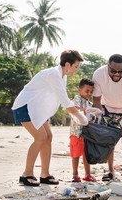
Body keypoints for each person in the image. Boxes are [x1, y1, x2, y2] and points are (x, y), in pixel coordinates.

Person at [12, 50, 88, 186]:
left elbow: (64, 99)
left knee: (48, 137)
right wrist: (81, 118)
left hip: (37, 108)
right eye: (76, 66)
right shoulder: (54, 75)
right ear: (67, 64)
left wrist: (81, 111)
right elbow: (65, 101)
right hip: (25, 106)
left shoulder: (62, 76)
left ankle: (45, 175)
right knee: (40, 137)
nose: (76, 69)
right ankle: (27, 174)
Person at [92, 54, 122, 180]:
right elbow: (96, 98)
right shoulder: (98, 74)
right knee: (109, 139)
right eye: (113, 71)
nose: (117, 74)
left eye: (120, 71)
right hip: (107, 108)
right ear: (108, 67)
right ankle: (111, 171)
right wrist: (99, 113)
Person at [69, 78, 102, 183]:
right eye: (87, 91)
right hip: (76, 132)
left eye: (91, 92)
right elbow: (76, 109)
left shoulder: (89, 103)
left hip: (87, 133)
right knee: (75, 154)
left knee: (86, 154)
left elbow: (90, 117)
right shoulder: (77, 98)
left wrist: (93, 115)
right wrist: (87, 110)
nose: (89, 94)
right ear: (80, 90)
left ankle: (88, 174)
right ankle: (75, 174)